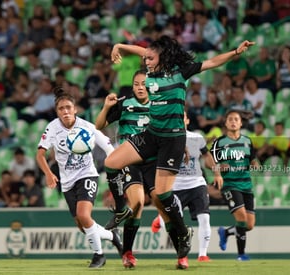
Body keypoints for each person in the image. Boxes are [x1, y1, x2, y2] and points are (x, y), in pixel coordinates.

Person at [106, 35, 255, 269]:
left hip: (172, 140)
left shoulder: (180, 71)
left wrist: (235, 52)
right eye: (146, 58)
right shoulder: (151, 72)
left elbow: (213, 62)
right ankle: (121, 209)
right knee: (111, 162)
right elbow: (140, 50)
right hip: (152, 134)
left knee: (163, 197)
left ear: (162, 57)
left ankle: (183, 234)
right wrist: (119, 46)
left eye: (151, 58)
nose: (146, 62)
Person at [36, 88, 123, 268]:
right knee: (83, 226)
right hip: (67, 183)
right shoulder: (52, 128)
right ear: (57, 111)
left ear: (75, 109)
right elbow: (40, 154)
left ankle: (99, 256)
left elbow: (109, 149)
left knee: (84, 216)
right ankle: (112, 236)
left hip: (87, 175)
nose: (65, 111)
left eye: (68, 107)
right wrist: (48, 173)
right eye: (61, 109)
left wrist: (117, 168)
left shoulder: (88, 127)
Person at [95, 70, 154, 268]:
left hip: (152, 160)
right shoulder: (125, 103)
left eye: (143, 84)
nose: (139, 87)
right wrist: (106, 107)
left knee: (157, 203)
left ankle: (181, 246)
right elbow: (98, 125)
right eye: (136, 84)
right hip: (129, 159)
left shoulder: (159, 105)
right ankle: (127, 253)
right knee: (137, 203)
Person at [151, 112, 223, 262]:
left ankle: (202, 255)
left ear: (187, 120)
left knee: (204, 218)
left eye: (182, 116)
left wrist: (216, 173)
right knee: (173, 223)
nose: (179, 119)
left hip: (197, 184)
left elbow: (207, 155)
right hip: (175, 186)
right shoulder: (167, 139)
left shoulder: (197, 137)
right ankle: (160, 218)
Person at [212, 109, 260, 261]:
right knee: (241, 218)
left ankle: (225, 233)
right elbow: (211, 163)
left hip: (246, 185)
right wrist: (218, 171)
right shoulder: (219, 143)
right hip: (231, 185)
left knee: (250, 224)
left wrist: (255, 164)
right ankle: (241, 255)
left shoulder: (247, 141)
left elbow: (253, 160)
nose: (233, 121)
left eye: (236, 119)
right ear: (225, 123)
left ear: (240, 123)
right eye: (230, 119)